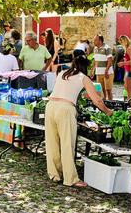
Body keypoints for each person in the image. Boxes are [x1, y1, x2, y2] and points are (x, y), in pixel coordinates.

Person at [46, 55, 112, 187]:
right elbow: (97, 101)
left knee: (52, 142)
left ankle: (54, 174)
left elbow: (66, 90)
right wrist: (108, 112)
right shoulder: (83, 77)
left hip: (50, 106)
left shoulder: (63, 73)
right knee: (67, 143)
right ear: (85, 67)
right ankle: (71, 179)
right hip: (65, 109)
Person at [90, 35, 114, 100]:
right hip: (98, 73)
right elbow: (95, 60)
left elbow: (110, 61)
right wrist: (92, 71)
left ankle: (111, 104)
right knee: (101, 91)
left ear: (100, 41)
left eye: (95, 40)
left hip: (108, 73)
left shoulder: (107, 48)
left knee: (108, 90)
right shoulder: (95, 49)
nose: (93, 41)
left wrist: (106, 71)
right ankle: (104, 105)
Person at [117, 35, 131, 101]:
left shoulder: (129, 49)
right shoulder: (126, 49)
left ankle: (129, 101)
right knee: (126, 86)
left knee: (128, 87)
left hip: (130, 70)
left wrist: (122, 63)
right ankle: (128, 100)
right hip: (127, 70)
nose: (120, 44)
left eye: (121, 42)